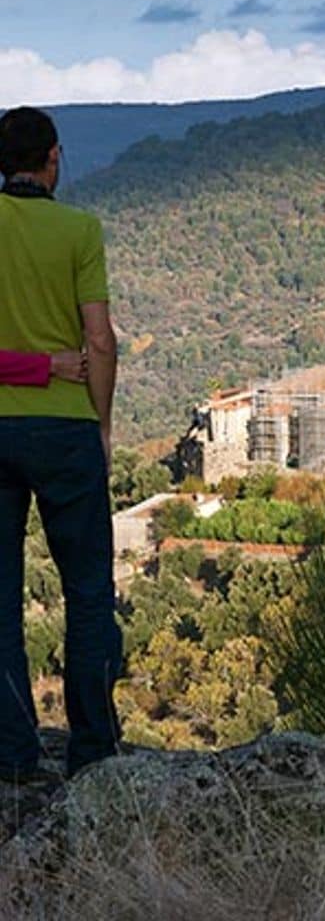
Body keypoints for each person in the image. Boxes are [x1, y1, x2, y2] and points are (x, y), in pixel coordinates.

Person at [0, 106, 122, 781]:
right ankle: (94, 754)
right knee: (88, 595)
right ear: (53, 159)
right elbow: (99, 340)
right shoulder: (79, 229)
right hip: (66, 428)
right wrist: (98, 422)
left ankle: (12, 758)